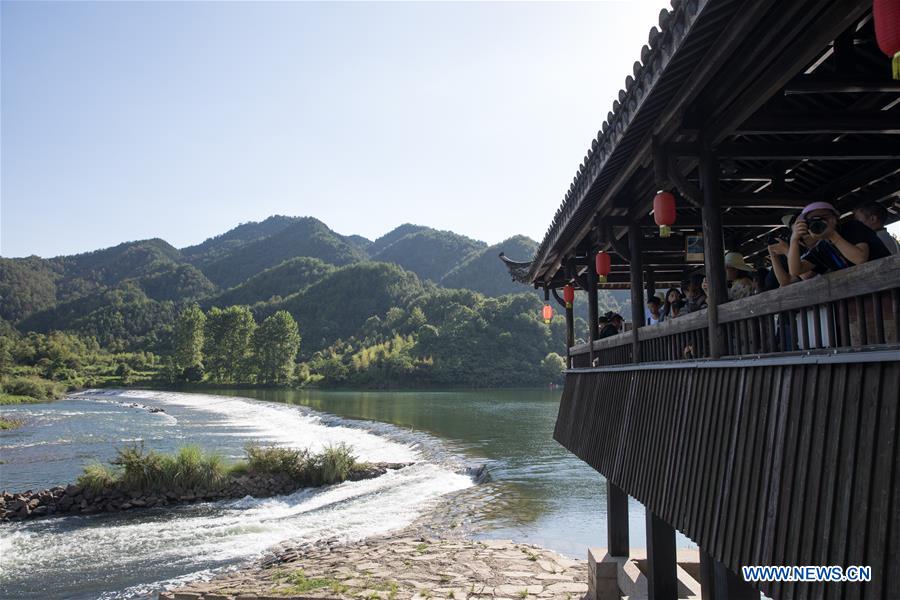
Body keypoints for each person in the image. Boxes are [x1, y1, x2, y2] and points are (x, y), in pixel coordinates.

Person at [789, 201, 890, 278]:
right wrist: (794, 240)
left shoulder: (853, 227)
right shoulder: (822, 247)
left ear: (836, 219)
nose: (819, 222)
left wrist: (832, 235)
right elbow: (796, 271)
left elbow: (860, 259)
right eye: (812, 220)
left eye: (824, 217)